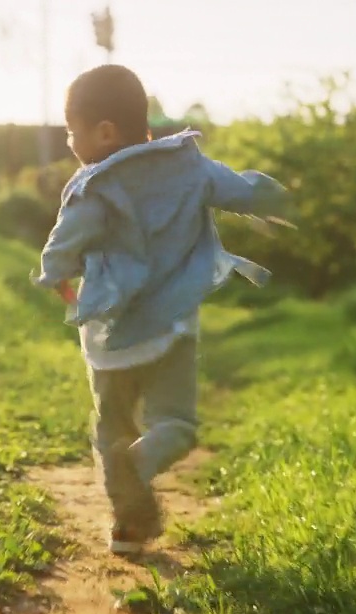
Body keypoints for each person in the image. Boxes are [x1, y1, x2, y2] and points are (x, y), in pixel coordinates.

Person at [31, 64, 292, 556]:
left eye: (72, 131)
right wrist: (285, 201)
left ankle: (128, 528)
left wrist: (55, 277)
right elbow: (243, 190)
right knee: (175, 425)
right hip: (171, 327)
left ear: (104, 132)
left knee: (112, 430)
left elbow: (62, 245)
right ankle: (143, 464)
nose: (68, 141)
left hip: (110, 336)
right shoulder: (189, 165)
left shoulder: (93, 186)